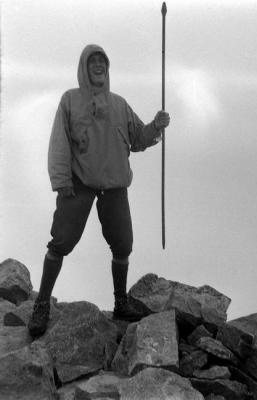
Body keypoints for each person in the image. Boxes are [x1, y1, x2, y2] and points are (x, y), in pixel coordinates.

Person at [28, 44, 170, 337]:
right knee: (61, 241)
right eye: (92, 61)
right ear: (84, 67)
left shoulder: (119, 104)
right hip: (78, 184)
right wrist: (61, 181)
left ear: (107, 68)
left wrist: (156, 126)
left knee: (123, 244)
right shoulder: (70, 100)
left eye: (102, 61)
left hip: (115, 186)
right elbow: (59, 143)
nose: (98, 65)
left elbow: (138, 139)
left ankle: (120, 303)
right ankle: (41, 304)